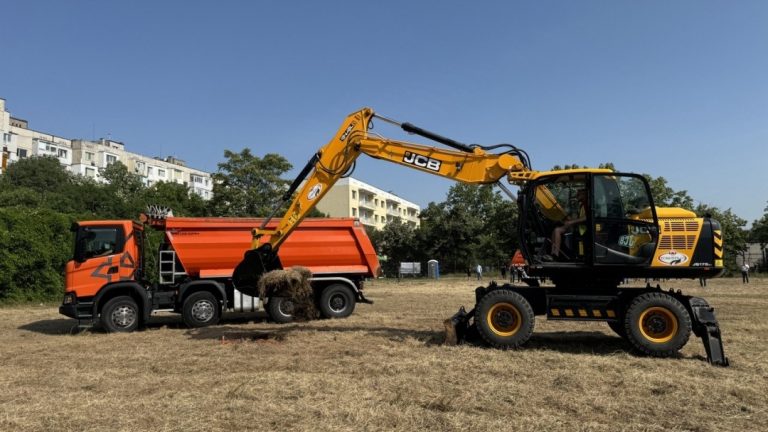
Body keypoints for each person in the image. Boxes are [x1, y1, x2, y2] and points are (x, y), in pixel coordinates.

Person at [549, 188, 587, 260]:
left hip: (583, 230)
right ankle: (552, 253)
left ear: (584, 194)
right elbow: (579, 218)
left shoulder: (587, 204)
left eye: (579, 193)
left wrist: (571, 222)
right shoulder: (582, 204)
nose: (576, 195)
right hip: (578, 227)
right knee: (555, 229)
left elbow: (586, 218)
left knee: (557, 230)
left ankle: (556, 254)